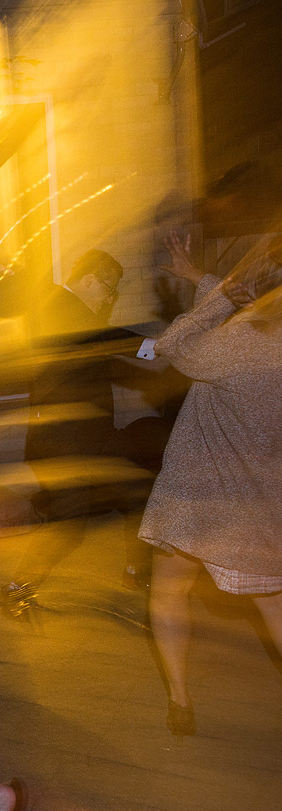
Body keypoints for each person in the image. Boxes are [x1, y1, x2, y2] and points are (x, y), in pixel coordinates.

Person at [140, 234, 282, 736]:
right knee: (272, 605)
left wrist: (220, 293)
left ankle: (180, 702)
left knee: (170, 594)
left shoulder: (246, 344)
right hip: (262, 499)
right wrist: (198, 277)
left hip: (198, 493)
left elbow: (174, 346)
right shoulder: (263, 342)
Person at [1, 249, 160, 617]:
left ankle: (139, 572)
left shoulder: (75, 316)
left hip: (90, 436)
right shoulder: (59, 308)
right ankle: (17, 588)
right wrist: (160, 346)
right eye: (109, 288)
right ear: (88, 279)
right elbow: (106, 338)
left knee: (137, 491)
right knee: (72, 520)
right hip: (63, 441)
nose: (110, 297)